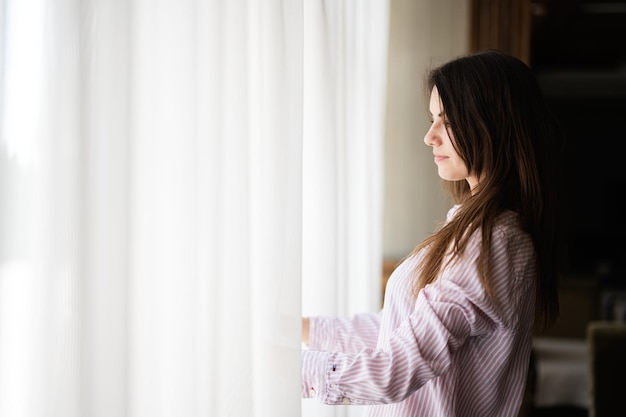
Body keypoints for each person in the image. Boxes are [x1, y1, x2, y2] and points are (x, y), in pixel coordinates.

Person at [301, 49, 567, 417]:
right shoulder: (480, 229)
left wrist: (287, 368)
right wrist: (302, 330)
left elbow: (395, 371)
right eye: (432, 119)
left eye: (447, 120)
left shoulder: (491, 241)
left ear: (492, 124)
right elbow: (399, 330)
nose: (430, 136)